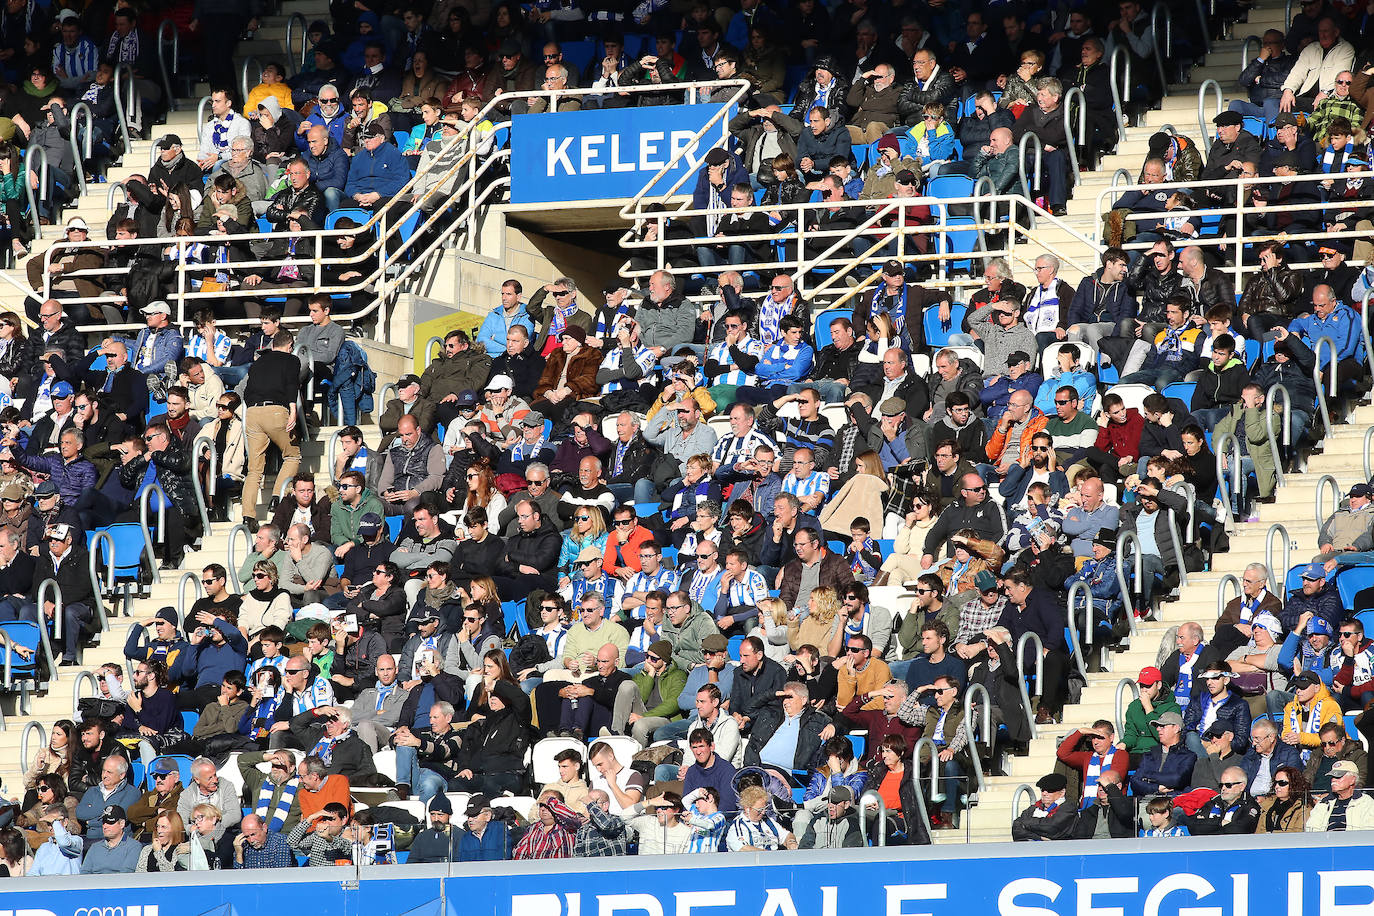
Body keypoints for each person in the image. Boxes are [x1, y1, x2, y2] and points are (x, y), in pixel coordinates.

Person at [1306, 760, 1374, 831]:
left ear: (1352, 780)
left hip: (1353, 841)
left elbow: (1368, 833)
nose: (1333, 780)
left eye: (1338, 777)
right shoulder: (1323, 804)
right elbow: (1311, 831)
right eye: (1332, 777)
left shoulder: (1366, 803)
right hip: (1325, 841)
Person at [1011, 773, 1075, 840]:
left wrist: (1025, 825)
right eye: (1042, 790)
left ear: (1062, 793)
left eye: (1050, 791)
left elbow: (1051, 827)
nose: (1044, 793)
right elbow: (1016, 828)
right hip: (1032, 848)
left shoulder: (1069, 808)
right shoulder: (1034, 808)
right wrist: (1038, 837)